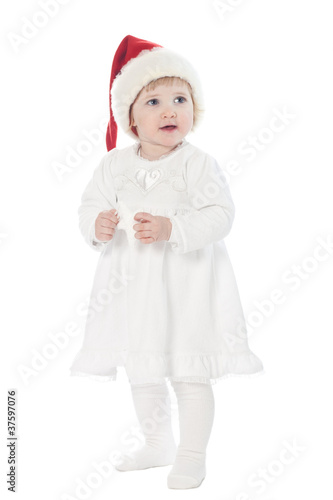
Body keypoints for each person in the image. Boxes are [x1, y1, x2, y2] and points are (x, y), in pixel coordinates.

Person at [69, 34, 264, 490]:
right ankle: (156, 442)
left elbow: (221, 215)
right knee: (143, 365)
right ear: (130, 117)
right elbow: (88, 206)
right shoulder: (113, 167)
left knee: (188, 368)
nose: (170, 110)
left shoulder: (197, 164)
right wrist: (96, 226)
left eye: (180, 98)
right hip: (132, 287)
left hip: (187, 284)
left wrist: (172, 229)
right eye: (153, 101)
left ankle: (192, 455)